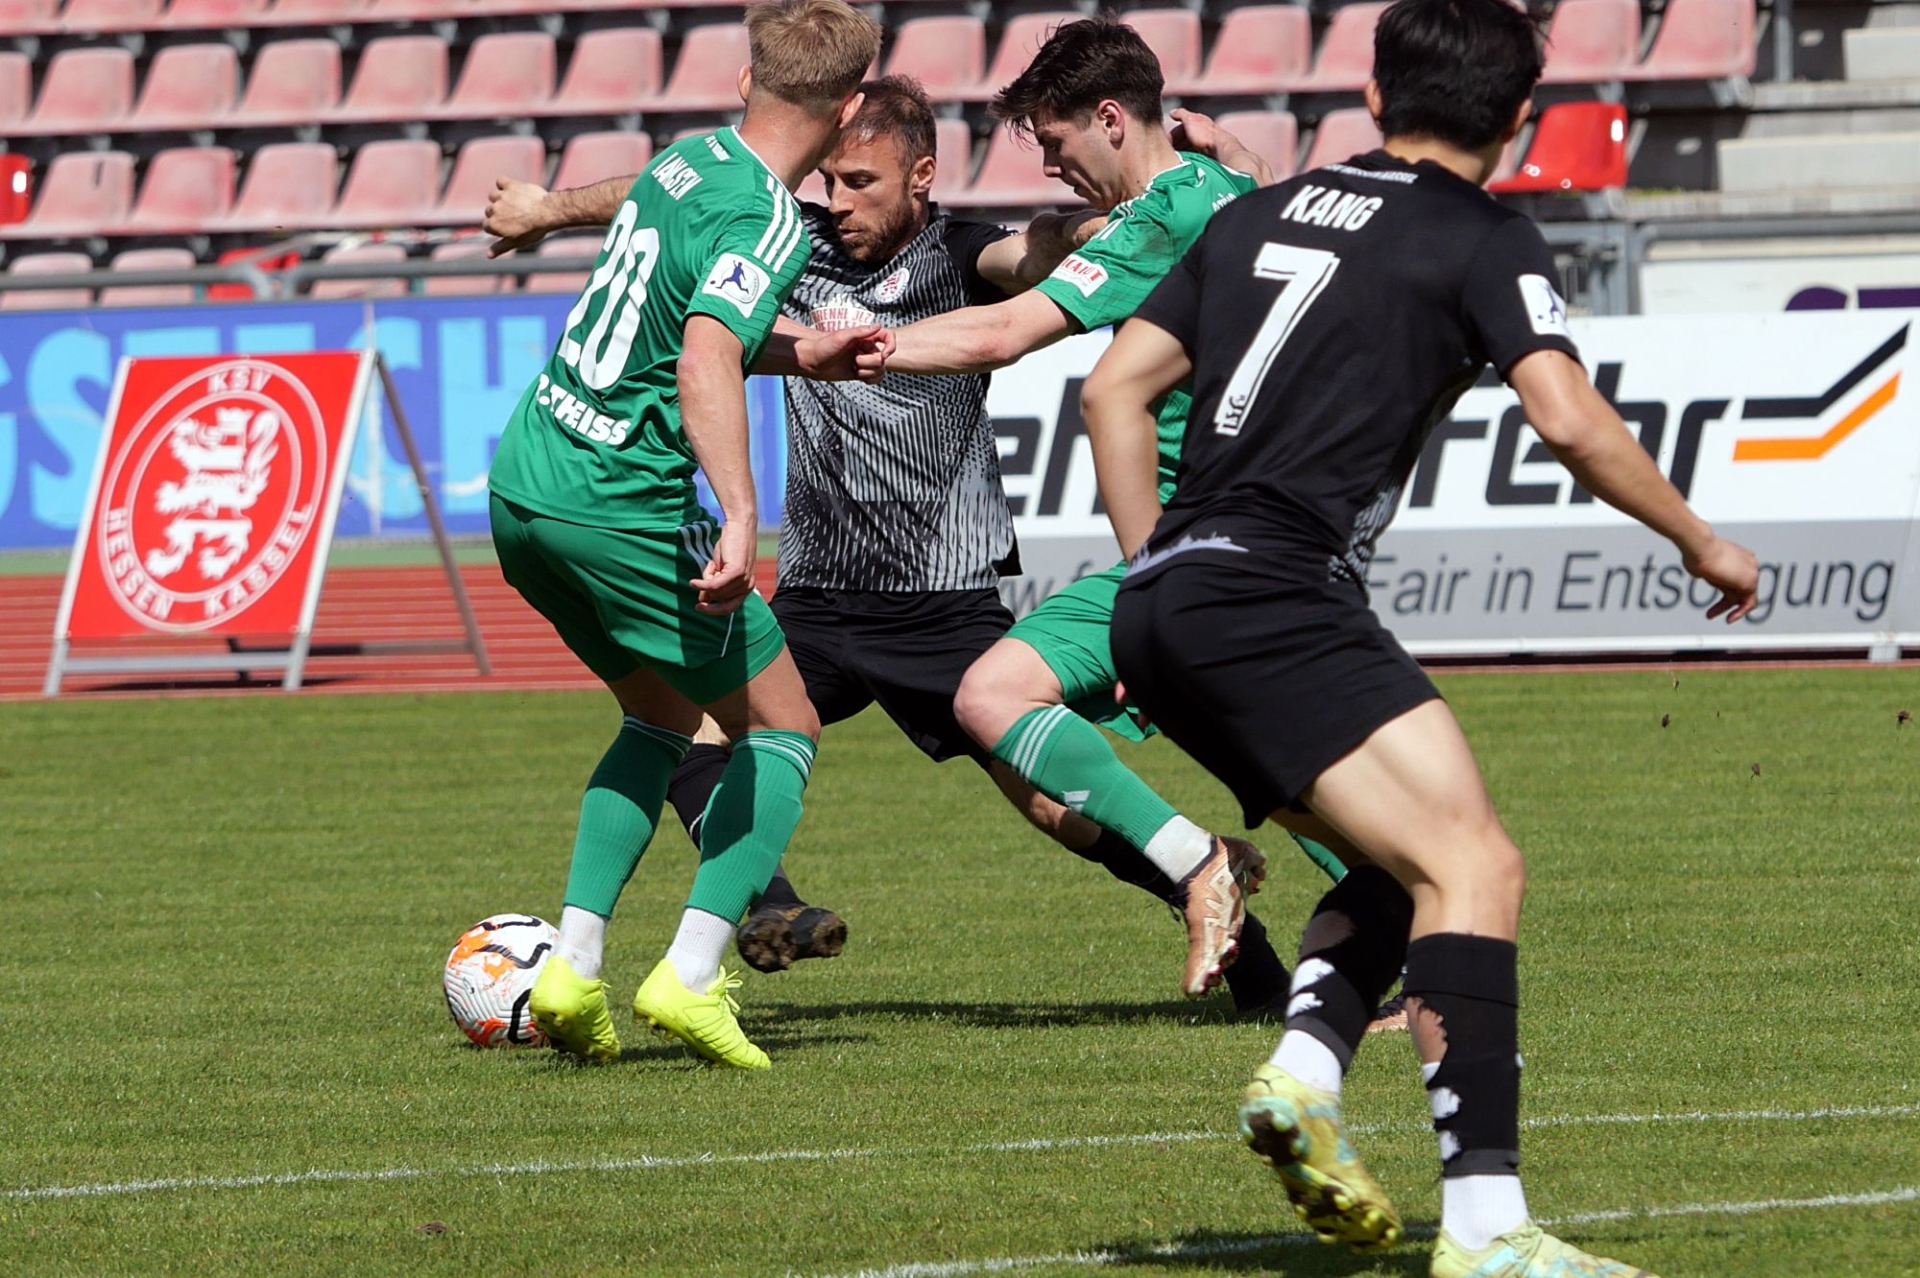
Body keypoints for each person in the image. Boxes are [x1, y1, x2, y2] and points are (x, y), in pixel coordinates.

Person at [1080, 0, 1760, 1271]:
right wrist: (1698, 538)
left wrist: (1149, 567)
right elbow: (1564, 420)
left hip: (1168, 593)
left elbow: (1112, 388)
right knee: (1479, 868)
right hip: (1276, 593)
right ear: (1517, 119)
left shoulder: (1254, 212)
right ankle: (1490, 1231)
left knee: (1401, 872)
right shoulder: (1485, 237)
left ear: (1376, 94)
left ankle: (1301, 1074)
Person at [483, 72, 1310, 1014]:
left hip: (941, 602)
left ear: (922, 176)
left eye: (862, 184)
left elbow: (1048, 248)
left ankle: (1256, 965)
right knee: (701, 733)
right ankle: (770, 907)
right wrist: (551, 208)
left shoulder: (964, 255)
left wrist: (1152, 200)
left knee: (1049, 802)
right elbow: (662, 191)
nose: (837, 204)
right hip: (820, 595)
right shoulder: (783, 239)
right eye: (828, 181)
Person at [880, 15, 1347, 998]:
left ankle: (1215, 872)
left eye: (1055, 144)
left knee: (996, 697)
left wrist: (838, 346)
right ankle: (1346, 931)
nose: (1052, 167)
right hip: (1257, 532)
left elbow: (1005, 332)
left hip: (1201, 550)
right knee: (1272, 771)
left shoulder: (1167, 216)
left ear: (1108, 117)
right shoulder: (1228, 189)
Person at [484, 0, 883, 1070]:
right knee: (785, 727)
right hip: (618, 504)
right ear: (850, 112)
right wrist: (745, 514)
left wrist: (803, 354)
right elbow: (704, 355)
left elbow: (690, 325)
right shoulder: (768, 219)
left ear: (745, 76)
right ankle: (692, 978)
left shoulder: (682, 160)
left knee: (658, 719)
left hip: (527, 487)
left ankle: (570, 972)